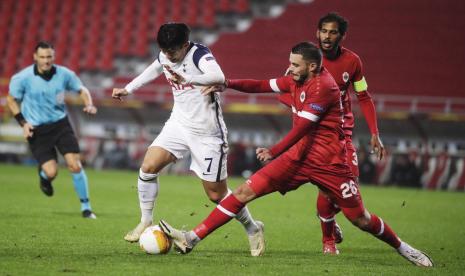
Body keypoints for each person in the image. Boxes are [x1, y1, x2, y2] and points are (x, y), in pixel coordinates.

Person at [158, 42, 433, 267]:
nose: (289, 69)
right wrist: (227, 83)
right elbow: (262, 85)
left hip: (329, 163)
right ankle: (191, 238)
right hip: (297, 160)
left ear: (312, 67)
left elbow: (303, 128)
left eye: (295, 64)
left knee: (360, 219)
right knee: (242, 193)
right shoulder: (296, 79)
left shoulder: (325, 88)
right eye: (290, 63)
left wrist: (274, 150)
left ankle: (403, 247)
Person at [111, 23, 265, 256]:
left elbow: (218, 76)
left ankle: (253, 228)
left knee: (216, 195)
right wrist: (128, 89)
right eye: (164, 51)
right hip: (178, 124)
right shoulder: (165, 55)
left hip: (208, 133)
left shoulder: (199, 54)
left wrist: (191, 79)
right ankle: (145, 220)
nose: (168, 56)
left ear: (185, 45)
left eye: (172, 51)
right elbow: (155, 68)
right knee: (148, 167)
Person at [278, 12, 386, 254]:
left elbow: (363, 96)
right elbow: (284, 91)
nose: (327, 36)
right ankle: (328, 240)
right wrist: (302, 108)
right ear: (317, 33)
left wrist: (374, 132)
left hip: (341, 132)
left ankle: (328, 218)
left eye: (333, 32)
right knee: (327, 188)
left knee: (348, 186)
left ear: (342, 36)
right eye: (323, 31)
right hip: (313, 134)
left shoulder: (353, 62)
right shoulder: (306, 60)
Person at [6, 41, 97, 219]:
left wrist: (89, 104)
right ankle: (44, 176)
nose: (46, 61)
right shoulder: (22, 78)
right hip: (36, 129)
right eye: (42, 57)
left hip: (60, 125)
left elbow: (82, 89)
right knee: (51, 172)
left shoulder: (64, 74)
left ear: (53, 57)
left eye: (49, 57)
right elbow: (11, 100)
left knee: (74, 164)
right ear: (35, 57)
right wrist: (23, 123)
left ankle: (86, 207)